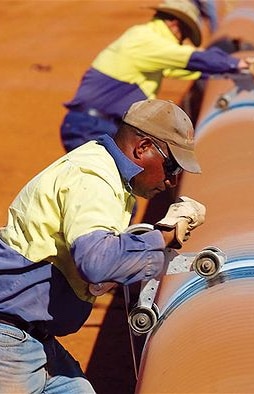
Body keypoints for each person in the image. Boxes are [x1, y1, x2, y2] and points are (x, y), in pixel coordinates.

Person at [0, 99, 207, 392]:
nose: (173, 180)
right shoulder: (94, 178)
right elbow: (97, 262)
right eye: (171, 165)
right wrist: (164, 236)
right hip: (9, 340)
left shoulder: (109, 176)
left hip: (33, 338)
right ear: (143, 147)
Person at [60, 0, 253, 152]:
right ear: (175, 24)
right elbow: (187, 58)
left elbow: (184, 67)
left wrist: (226, 68)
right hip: (91, 127)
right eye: (184, 36)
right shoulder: (145, 40)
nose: (182, 41)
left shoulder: (148, 45)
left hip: (97, 126)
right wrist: (240, 64)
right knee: (112, 191)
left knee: (119, 191)